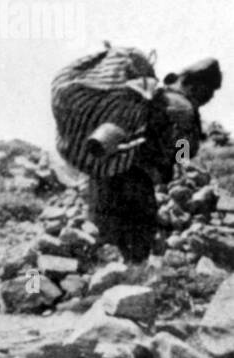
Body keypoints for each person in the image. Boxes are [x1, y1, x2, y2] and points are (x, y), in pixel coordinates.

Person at [87, 60, 216, 264]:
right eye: (210, 91)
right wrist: (182, 164)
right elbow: (181, 144)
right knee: (139, 239)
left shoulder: (149, 95)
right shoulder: (182, 107)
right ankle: (128, 282)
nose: (210, 97)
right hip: (135, 177)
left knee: (99, 237)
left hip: (102, 169)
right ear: (197, 87)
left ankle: (82, 281)